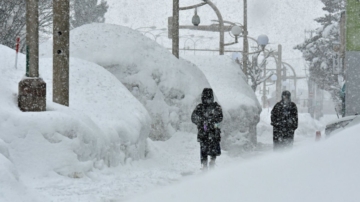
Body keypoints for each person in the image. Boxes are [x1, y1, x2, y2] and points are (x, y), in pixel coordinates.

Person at [191, 88, 223, 170]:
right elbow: (193, 118)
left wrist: (213, 121)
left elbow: (220, 118)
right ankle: (204, 166)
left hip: (214, 132)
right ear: (203, 98)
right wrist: (201, 121)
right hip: (203, 133)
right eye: (206, 98)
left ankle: (212, 163)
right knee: (204, 150)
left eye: (209, 99)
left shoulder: (216, 107)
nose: (208, 101)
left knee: (214, 150)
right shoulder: (200, 107)